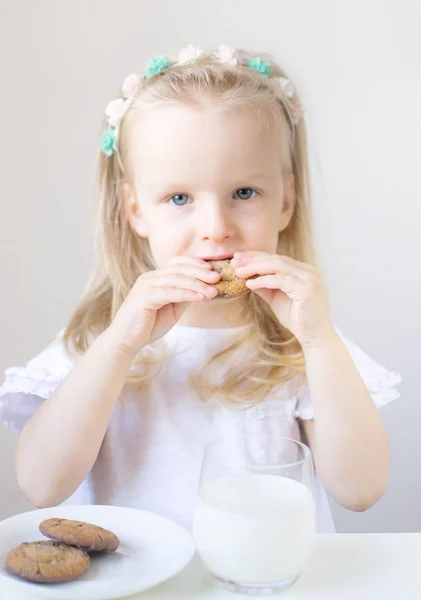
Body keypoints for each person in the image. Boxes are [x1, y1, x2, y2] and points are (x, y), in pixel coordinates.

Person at [0, 45, 401, 532]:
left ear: (287, 201)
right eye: (180, 197)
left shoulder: (302, 345)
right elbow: (41, 485)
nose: (215, 227)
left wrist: (320, 342)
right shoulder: (100, 340)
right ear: (135, 211)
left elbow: (360, 491)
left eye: (244, 193)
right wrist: (119, 346)